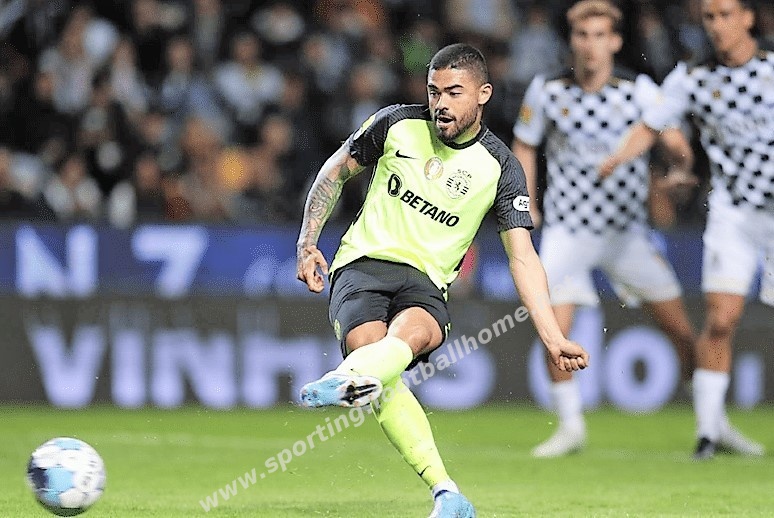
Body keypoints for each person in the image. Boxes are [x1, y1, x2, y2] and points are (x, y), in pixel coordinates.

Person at [296, 43, 590, 518]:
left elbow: (523, 257)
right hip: (363, 264)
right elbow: (334, 172)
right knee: (374, 357)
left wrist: (553, 336)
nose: (441, 104)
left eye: (454, 92)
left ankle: (348, 381)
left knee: (407, 339)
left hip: (426, 282)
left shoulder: (500, 167)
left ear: (483, 94)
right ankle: (447, 493)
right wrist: (307, 242)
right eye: (434, 92)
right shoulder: (396, 123)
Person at [511, 0, 699, 458]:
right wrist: (526, 201)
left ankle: (711, 420)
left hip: (626, 234)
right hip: (568, 231)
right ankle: (570, 427)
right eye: (582, 35)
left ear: (614, 42)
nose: (590, 45)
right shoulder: (547, 89)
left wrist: (677, 167)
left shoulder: (638, 90)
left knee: (680, 330)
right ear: (571, 41)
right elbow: (525, 145)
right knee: (554, 331)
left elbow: (673, 140)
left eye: (599, 35)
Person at [600, 0, 770, 460]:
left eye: (726, 14)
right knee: (721, 319)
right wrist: (617, 157)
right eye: (709, 17)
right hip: (734, 214)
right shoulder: (692, 76)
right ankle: (708, 434)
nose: (717, 25)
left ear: (748, 18)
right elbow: (650, 125)